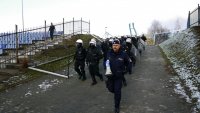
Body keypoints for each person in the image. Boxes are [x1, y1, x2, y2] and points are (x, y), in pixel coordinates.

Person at [106, 39, 131, 113]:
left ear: (119, 46)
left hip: (118, 77)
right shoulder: (109, 53)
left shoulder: (123, 54)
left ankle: (117, 106)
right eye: (114, 45)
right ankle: (108, 85)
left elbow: (129, 63)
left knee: (117, 92)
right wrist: (106, 65)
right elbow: (106, 61)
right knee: (111, 89)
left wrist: (125, 70)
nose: (115, 47)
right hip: (110, 76)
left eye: (116, 45)